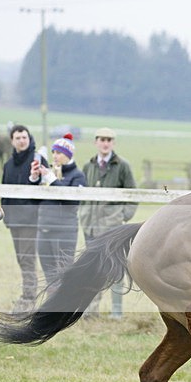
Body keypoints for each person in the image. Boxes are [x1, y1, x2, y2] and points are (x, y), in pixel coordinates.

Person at [79, 127, 137, 319]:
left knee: (115, 267)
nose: (105, 143)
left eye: (109, 140)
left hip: (112, 227)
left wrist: (123, 215)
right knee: (92, 267)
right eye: (102, 139)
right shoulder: (89, 166)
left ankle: (116, 311)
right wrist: (84, 212)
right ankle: (91, 309)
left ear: (113, 143)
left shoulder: (122, 166)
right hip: (90, 225)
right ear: (96, 142)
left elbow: (132, 194)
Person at [30, 133, 87, 294]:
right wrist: (34, 179)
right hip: (44, 230)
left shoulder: (78, 175)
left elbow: (72, 202)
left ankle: (65, 307)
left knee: (64, 273)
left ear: (68, 155)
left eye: (59, 153)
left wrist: (53, 180)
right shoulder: (48, 173)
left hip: (64, 232)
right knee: (48, 276)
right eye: (53, 152)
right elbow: (35, 200)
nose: (55, 156)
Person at [1, 124, 45, 313]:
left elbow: (45, 186)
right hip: (14, 221)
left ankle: (28, 299)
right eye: (18, 138)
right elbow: (5, 193)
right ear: (12, 141)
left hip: (30, 220)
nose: (22, 140)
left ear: (29, 138)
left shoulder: (37, 160)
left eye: (24, 137)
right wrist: (6, 216)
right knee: (21, 259)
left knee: (27, 259)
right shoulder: (8, 165)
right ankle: (27, 295)